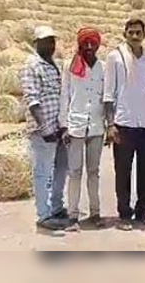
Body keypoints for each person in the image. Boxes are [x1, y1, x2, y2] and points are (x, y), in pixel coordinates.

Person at [103, 18, 145, 231]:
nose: (135, 36)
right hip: (124, 123)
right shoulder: (115, 58)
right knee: (123, 171)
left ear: (144, 34)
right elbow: (108, 95)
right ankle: (124, 214)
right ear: (125, 34)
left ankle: (143, 211)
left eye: (138, 32)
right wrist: (110, 125)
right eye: (131, 32)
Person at [21, 25, 69, 233]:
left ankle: (56, 207)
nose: (50, 45)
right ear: (36, 43)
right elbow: (32, 100)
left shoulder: (55, 65)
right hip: (43, 130)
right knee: (42, 173)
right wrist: (44, 126)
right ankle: (43, 215)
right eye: (45, 41)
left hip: (59, 127)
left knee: (61, 169)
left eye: (52, 41)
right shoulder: (31, 66)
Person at [58, 27, 106, 230]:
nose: (88, 47)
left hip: (96, 125)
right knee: (75, 172)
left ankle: (95, 213)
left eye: (92, 43)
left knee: (94, 172)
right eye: (85, 43)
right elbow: (64, 96)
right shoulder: (70, 67)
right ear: (80, 44)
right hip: (76, 125)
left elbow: (107, 96)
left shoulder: (104, 67)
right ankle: (73, 215)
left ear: (97, 45)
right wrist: (64, 126)